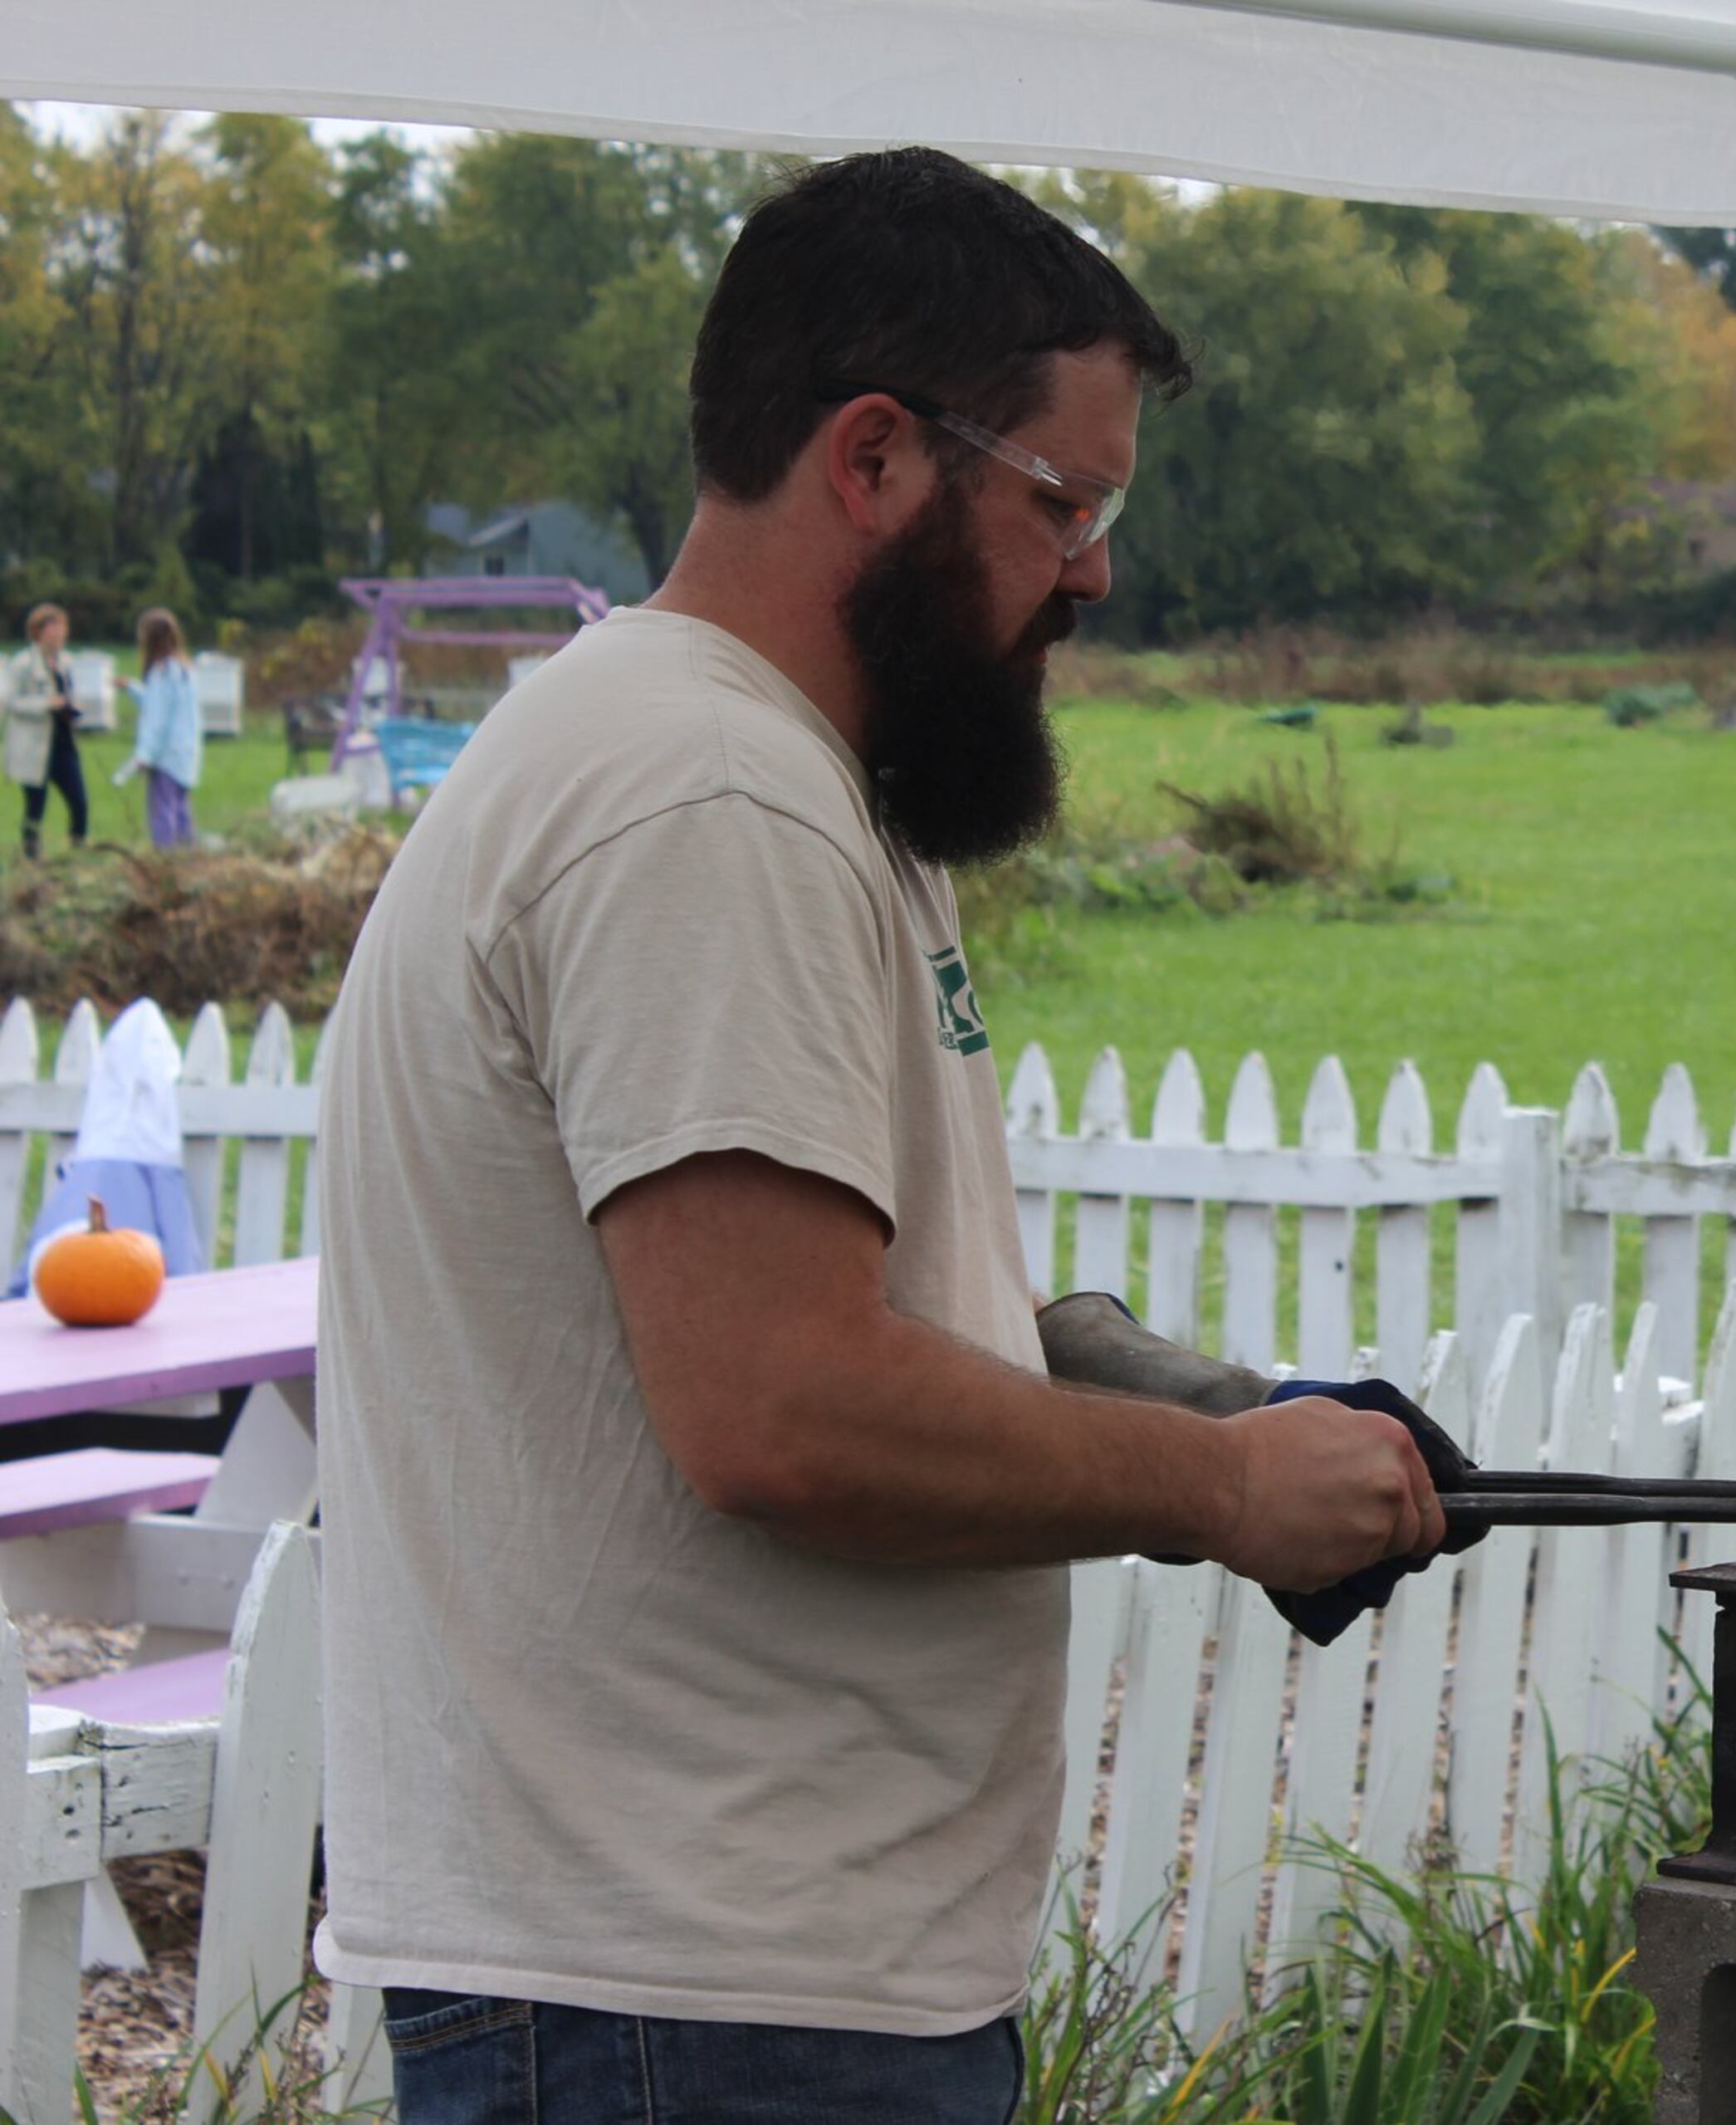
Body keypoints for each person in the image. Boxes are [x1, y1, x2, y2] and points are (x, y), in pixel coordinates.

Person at [310, 148, 1445, 2123]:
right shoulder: (707, 800)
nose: (1093, 567)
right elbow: (783, 1404)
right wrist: (1217, 1489)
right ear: (871, 458)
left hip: (713, 1983)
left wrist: (1227, 1405)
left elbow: (849, 1301)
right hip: (683, 1998)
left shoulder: (782, 775)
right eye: (1064, 502)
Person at [2, 603, 89, 859]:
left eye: (61, 629)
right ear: (38, 633)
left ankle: (77, 850)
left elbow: (73, 693)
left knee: (79, 802)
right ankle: (31, 857)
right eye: (51, 630)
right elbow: (10, 701)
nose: (58, 635)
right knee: (36, 806)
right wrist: (45, 704)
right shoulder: (22, 663)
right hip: (34, 746)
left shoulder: (66, 662)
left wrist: (72, 707)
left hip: (63, 744)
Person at [115, 609, 199, 850]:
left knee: (163, 811)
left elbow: (157, 719)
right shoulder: (184, 670)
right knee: (182, 810)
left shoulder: (161, 673)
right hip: (185, 751)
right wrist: (131, 687)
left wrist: (145, 756)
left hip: (165, 754)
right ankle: (189, 858)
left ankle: (166, 862)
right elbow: (159, 705)